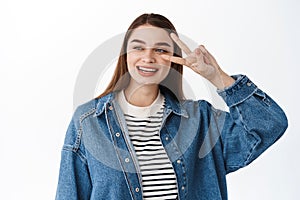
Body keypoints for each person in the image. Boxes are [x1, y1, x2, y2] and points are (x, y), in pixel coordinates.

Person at [55, 13, 288, 200]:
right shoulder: (89, 121)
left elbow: (270, 125)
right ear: (125, 54)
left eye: (161, 50)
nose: (148, 57)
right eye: (138, 47)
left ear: (174, 59)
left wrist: (218, 78)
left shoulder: (200, 120)